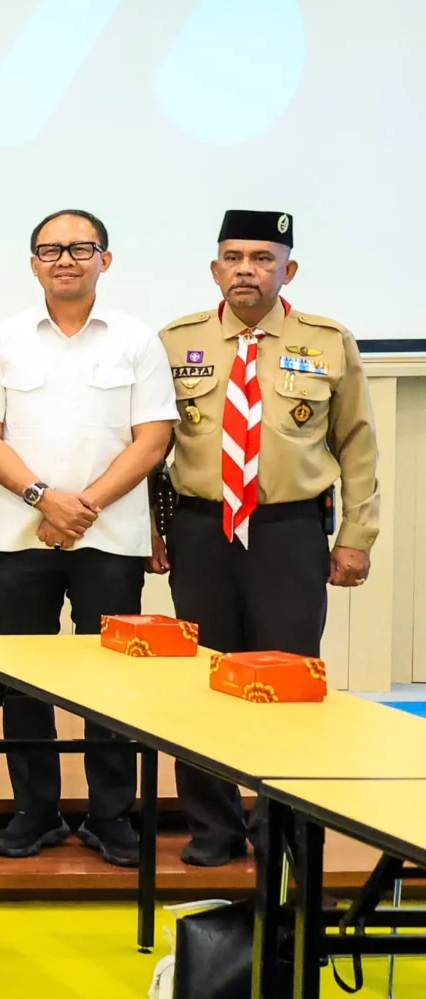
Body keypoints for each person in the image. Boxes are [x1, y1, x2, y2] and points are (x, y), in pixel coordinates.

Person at [155, 209, 377, 868]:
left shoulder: (329, 341)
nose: (246, 269)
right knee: (203, 684)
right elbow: (150, 444)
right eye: (233, 257)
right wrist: (153, 531)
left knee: (288, 685)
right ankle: (214, 830)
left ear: (288, 269)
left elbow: (357, 445)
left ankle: (281, 827)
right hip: (201, 529)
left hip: (288, 531)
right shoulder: (175, 342)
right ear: (216, 268)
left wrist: (356, 534)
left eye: (261, 257)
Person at [0, 209, 175, 868]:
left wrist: (83, 506)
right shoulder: (2, 340)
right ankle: (36, 812)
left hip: (110, 537)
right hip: (20, 534)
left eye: (80, 248)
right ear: (33, 263)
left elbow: (154, 438)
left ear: (104, 260)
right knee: (26, 678)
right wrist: (42, 499)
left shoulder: (137, 341)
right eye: (51, 250)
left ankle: (111, 816)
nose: (65, 260)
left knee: (111, 680)